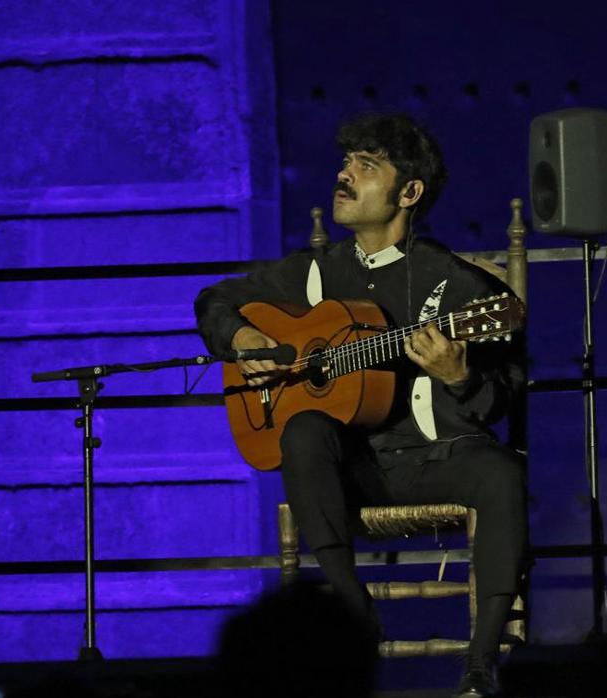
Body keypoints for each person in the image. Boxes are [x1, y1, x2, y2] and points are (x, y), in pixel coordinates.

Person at [194, 113, 527, 698]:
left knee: (501, 472)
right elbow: (216, 299)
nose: (343, 176)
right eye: (346, 163)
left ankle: (481, 663)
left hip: (434, 456)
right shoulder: (315, 273)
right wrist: (243, 338)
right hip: (349, 470)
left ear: (409, 192)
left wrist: (459, 375)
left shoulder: (462, 289)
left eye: (365, 166)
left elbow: (505, 392)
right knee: (300, 429)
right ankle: (356, 612)